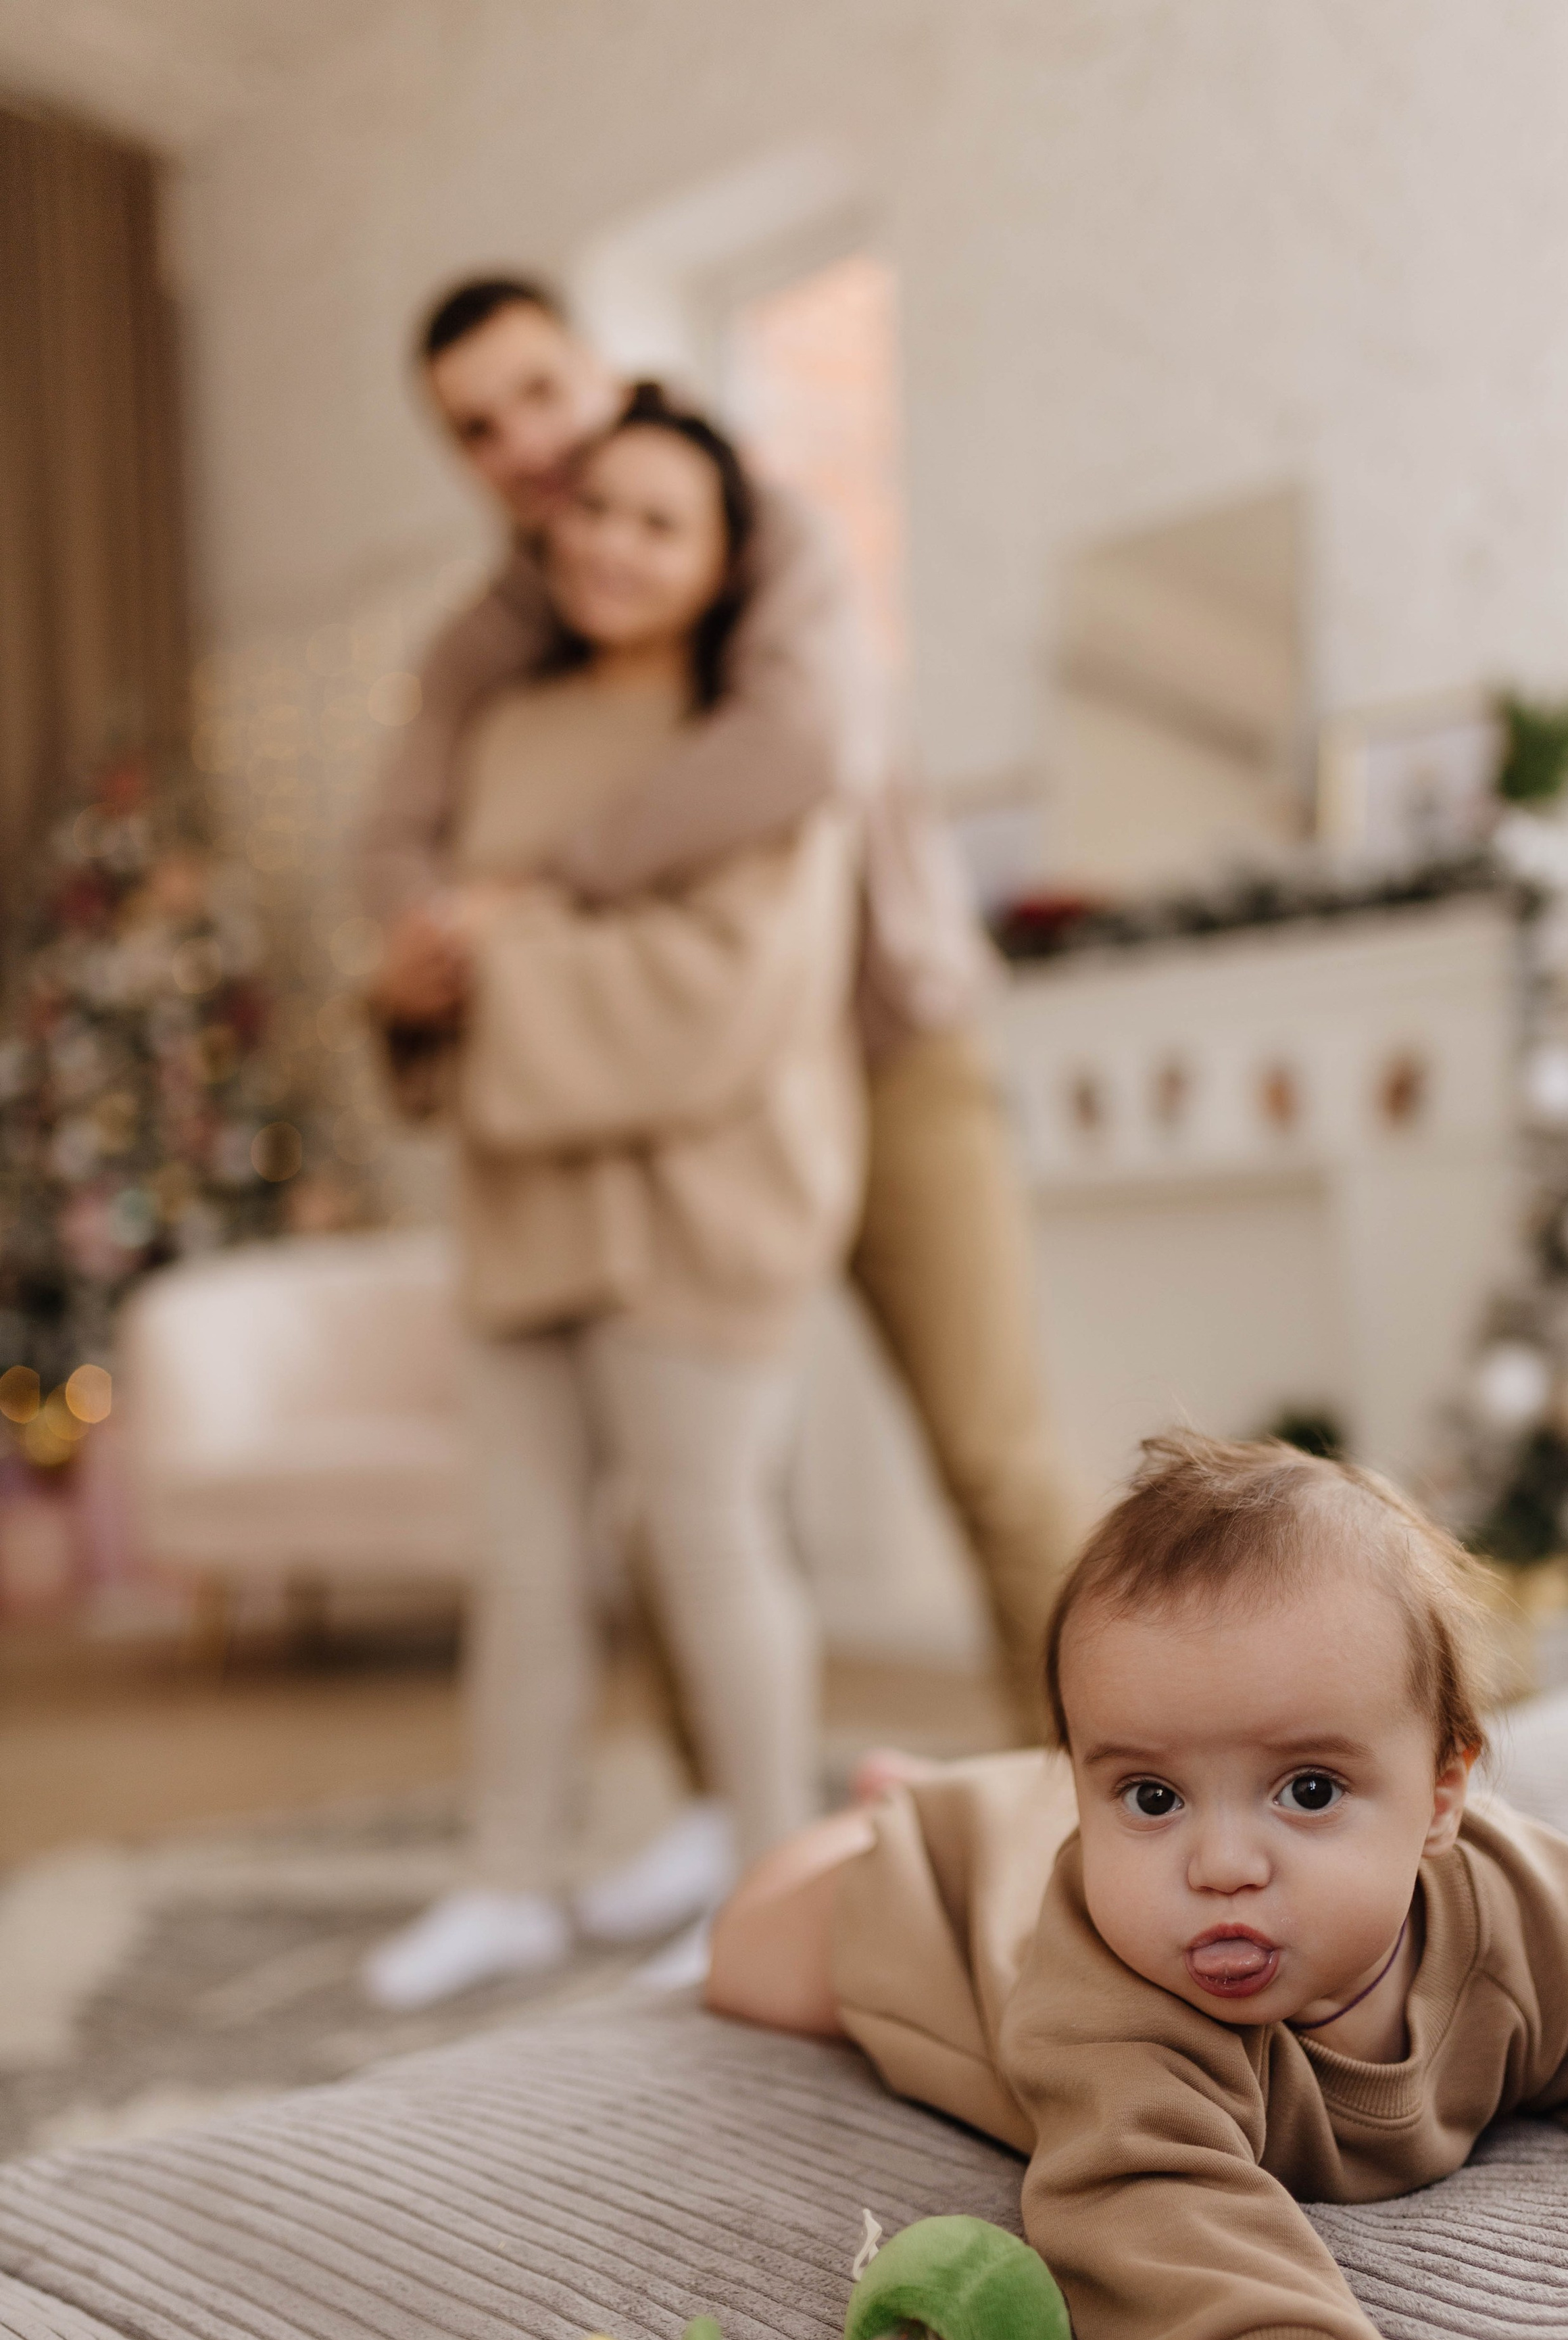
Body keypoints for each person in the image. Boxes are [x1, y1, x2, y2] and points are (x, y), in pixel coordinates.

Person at [358, 276, 1081, 1943]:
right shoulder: (509, 626)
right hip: (658, 1101)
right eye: (479, 428)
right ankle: (723, 1817)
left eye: (539, 391)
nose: (524, 445)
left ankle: (1106, 1804)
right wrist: (420, 939)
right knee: (697, 1490)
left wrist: (531, 897)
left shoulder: (771, 541)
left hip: (874, 1051)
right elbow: (396, 838)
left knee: (987, 1448)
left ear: (598, 369)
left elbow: (794, 745)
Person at [706, 1432, 1568, 2340]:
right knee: (748, 1958)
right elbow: (1147, 2207)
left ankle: (1014, 1790)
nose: (1223, 1865)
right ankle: (895, 1809)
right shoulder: (1118, 2007)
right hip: (943, 1905)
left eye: (1306, 1789)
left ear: (1442, 1794)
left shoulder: (1537, 1921)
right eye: (1151, 1793)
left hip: (1051, 1828)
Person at [363, 387, 864, 2012]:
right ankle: (508, 1875)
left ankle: (774, 1876)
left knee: (707, 1538)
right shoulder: (505, 730)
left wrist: (494, 960)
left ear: (723, 561)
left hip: (700, 1194)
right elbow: (445, 940)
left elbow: (729, 988)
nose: (614, 546)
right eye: (595, 512)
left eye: (663, 521)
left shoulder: (753, 743)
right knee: (517, 1556)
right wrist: (423, 980)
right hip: (526, 1199)